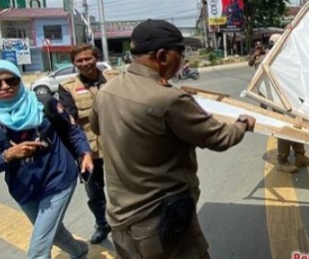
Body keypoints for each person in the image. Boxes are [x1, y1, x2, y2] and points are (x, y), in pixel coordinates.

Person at [89, 19, 256, 259]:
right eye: (181, 53)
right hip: (161, 222)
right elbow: (220, 138)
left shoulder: (107, 90)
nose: (183, 60)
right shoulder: (169, 100)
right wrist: (242, 123)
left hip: (120, 220)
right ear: (162, 56)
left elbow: (97, 127)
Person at [0, 60, 92, 258]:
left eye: (11, 80)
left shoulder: (42, 102)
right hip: (23, 187)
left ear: (19, 81)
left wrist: (85, 152)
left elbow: (71, 128)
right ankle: (80, 251)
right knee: (53, 233)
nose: (5, 86)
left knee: (38, 249)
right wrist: (8, 155)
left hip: (57, 177)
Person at [58, 44, 120, 244]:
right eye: (79, 61)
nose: (85, 64)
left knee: (124, 188)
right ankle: (102, 224)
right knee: (94, 193)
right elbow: (69, 121)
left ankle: (126, 223)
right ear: (74, 64)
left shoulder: (116, 78)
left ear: (96, 58)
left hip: (118, 146)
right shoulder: (67, 87)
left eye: (88, 59)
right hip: (88, 151)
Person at [247, 39, 309, 173]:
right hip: (276, 99)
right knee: (285, 128)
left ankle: (300, 155)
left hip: (289, 97)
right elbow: (261, 80)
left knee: (297, 126)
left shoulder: (282, 57)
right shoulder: (266, 59)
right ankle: (282, 160)